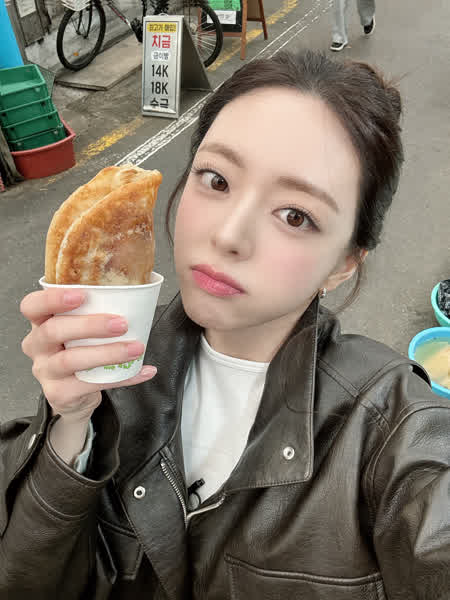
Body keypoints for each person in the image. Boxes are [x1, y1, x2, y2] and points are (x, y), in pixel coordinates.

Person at [1, 50, 449, 599]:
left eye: (295, 215)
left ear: (344, 263)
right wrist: (69, 426)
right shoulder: (114, 365)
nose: (229, 235)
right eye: (216, 179)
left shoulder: (390, 433)